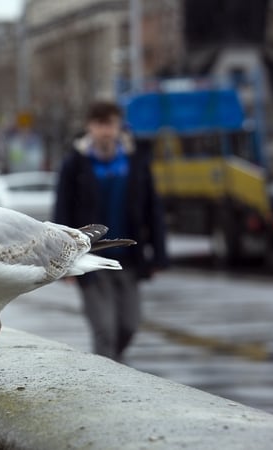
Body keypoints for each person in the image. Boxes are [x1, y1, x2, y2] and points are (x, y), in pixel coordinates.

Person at [54, 99, 168, 362]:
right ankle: (109, 383)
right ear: (89, 127)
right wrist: (63, 262)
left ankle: (113, 365)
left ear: (118, 127)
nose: (105, 131)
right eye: (100, 125)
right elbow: (62, 213)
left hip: (128, 258)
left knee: (130, 324)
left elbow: (153, 209)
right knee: (104, 329)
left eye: (110, 125)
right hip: (90, 259)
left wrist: (158, 255)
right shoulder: (75, 164)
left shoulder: (135, 162)